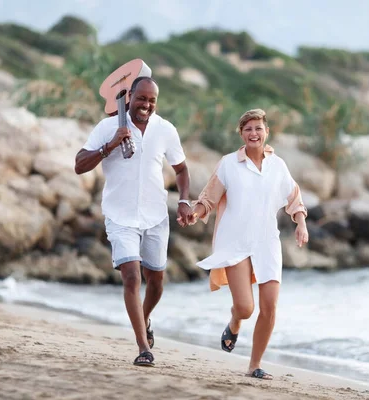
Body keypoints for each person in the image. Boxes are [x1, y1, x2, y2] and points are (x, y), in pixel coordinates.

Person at [74, 76, 192, 367]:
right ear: (129, 97)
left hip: (155, 216)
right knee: (131, 277)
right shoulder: (108, 127)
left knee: (157, 282)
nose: (147, 105)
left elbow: (182, 170)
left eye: (152, 100)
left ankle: (145, 317)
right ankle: (143, 347)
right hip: (120, 215)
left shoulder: (165, 129)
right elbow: (79, 164)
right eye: (142, 98)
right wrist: (109, 146)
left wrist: (184, 199)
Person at [185, 108, 308, 380]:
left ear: (267, 132)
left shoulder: (278, 165)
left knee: (270, 307)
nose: (254, 133)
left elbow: (294, 197)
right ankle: (235, 321)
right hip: (235, 244)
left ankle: (254, 364)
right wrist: (196, 213)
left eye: (258, 128)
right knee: (245, 308)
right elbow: (209, 198)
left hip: (267, 243)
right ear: (241, 134)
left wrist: (301, 223)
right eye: (248, 128)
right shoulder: (229, 163)